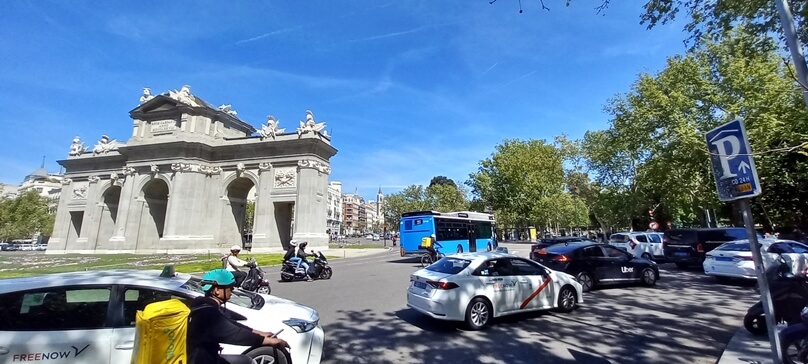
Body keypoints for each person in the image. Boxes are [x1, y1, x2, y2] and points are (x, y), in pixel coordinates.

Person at [188, 269, 289, 364]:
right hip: (200, 360)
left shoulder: (205, 307)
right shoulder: (207, 314)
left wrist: (261, 333)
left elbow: (231, 324)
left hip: (207, 357)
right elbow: (235, 335)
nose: (232, 291)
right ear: (217, 290)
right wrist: (268, 341)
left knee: (244, 360)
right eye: (230, 287)